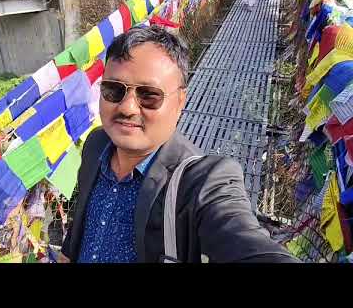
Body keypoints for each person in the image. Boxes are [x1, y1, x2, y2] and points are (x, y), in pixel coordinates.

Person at [58, 25, 299, 263]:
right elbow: (81, 217)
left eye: (149, 95)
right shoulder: (96, 144)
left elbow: (242, 238)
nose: (127, 108)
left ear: (180, 101)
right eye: (113, 90)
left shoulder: (200, 182)